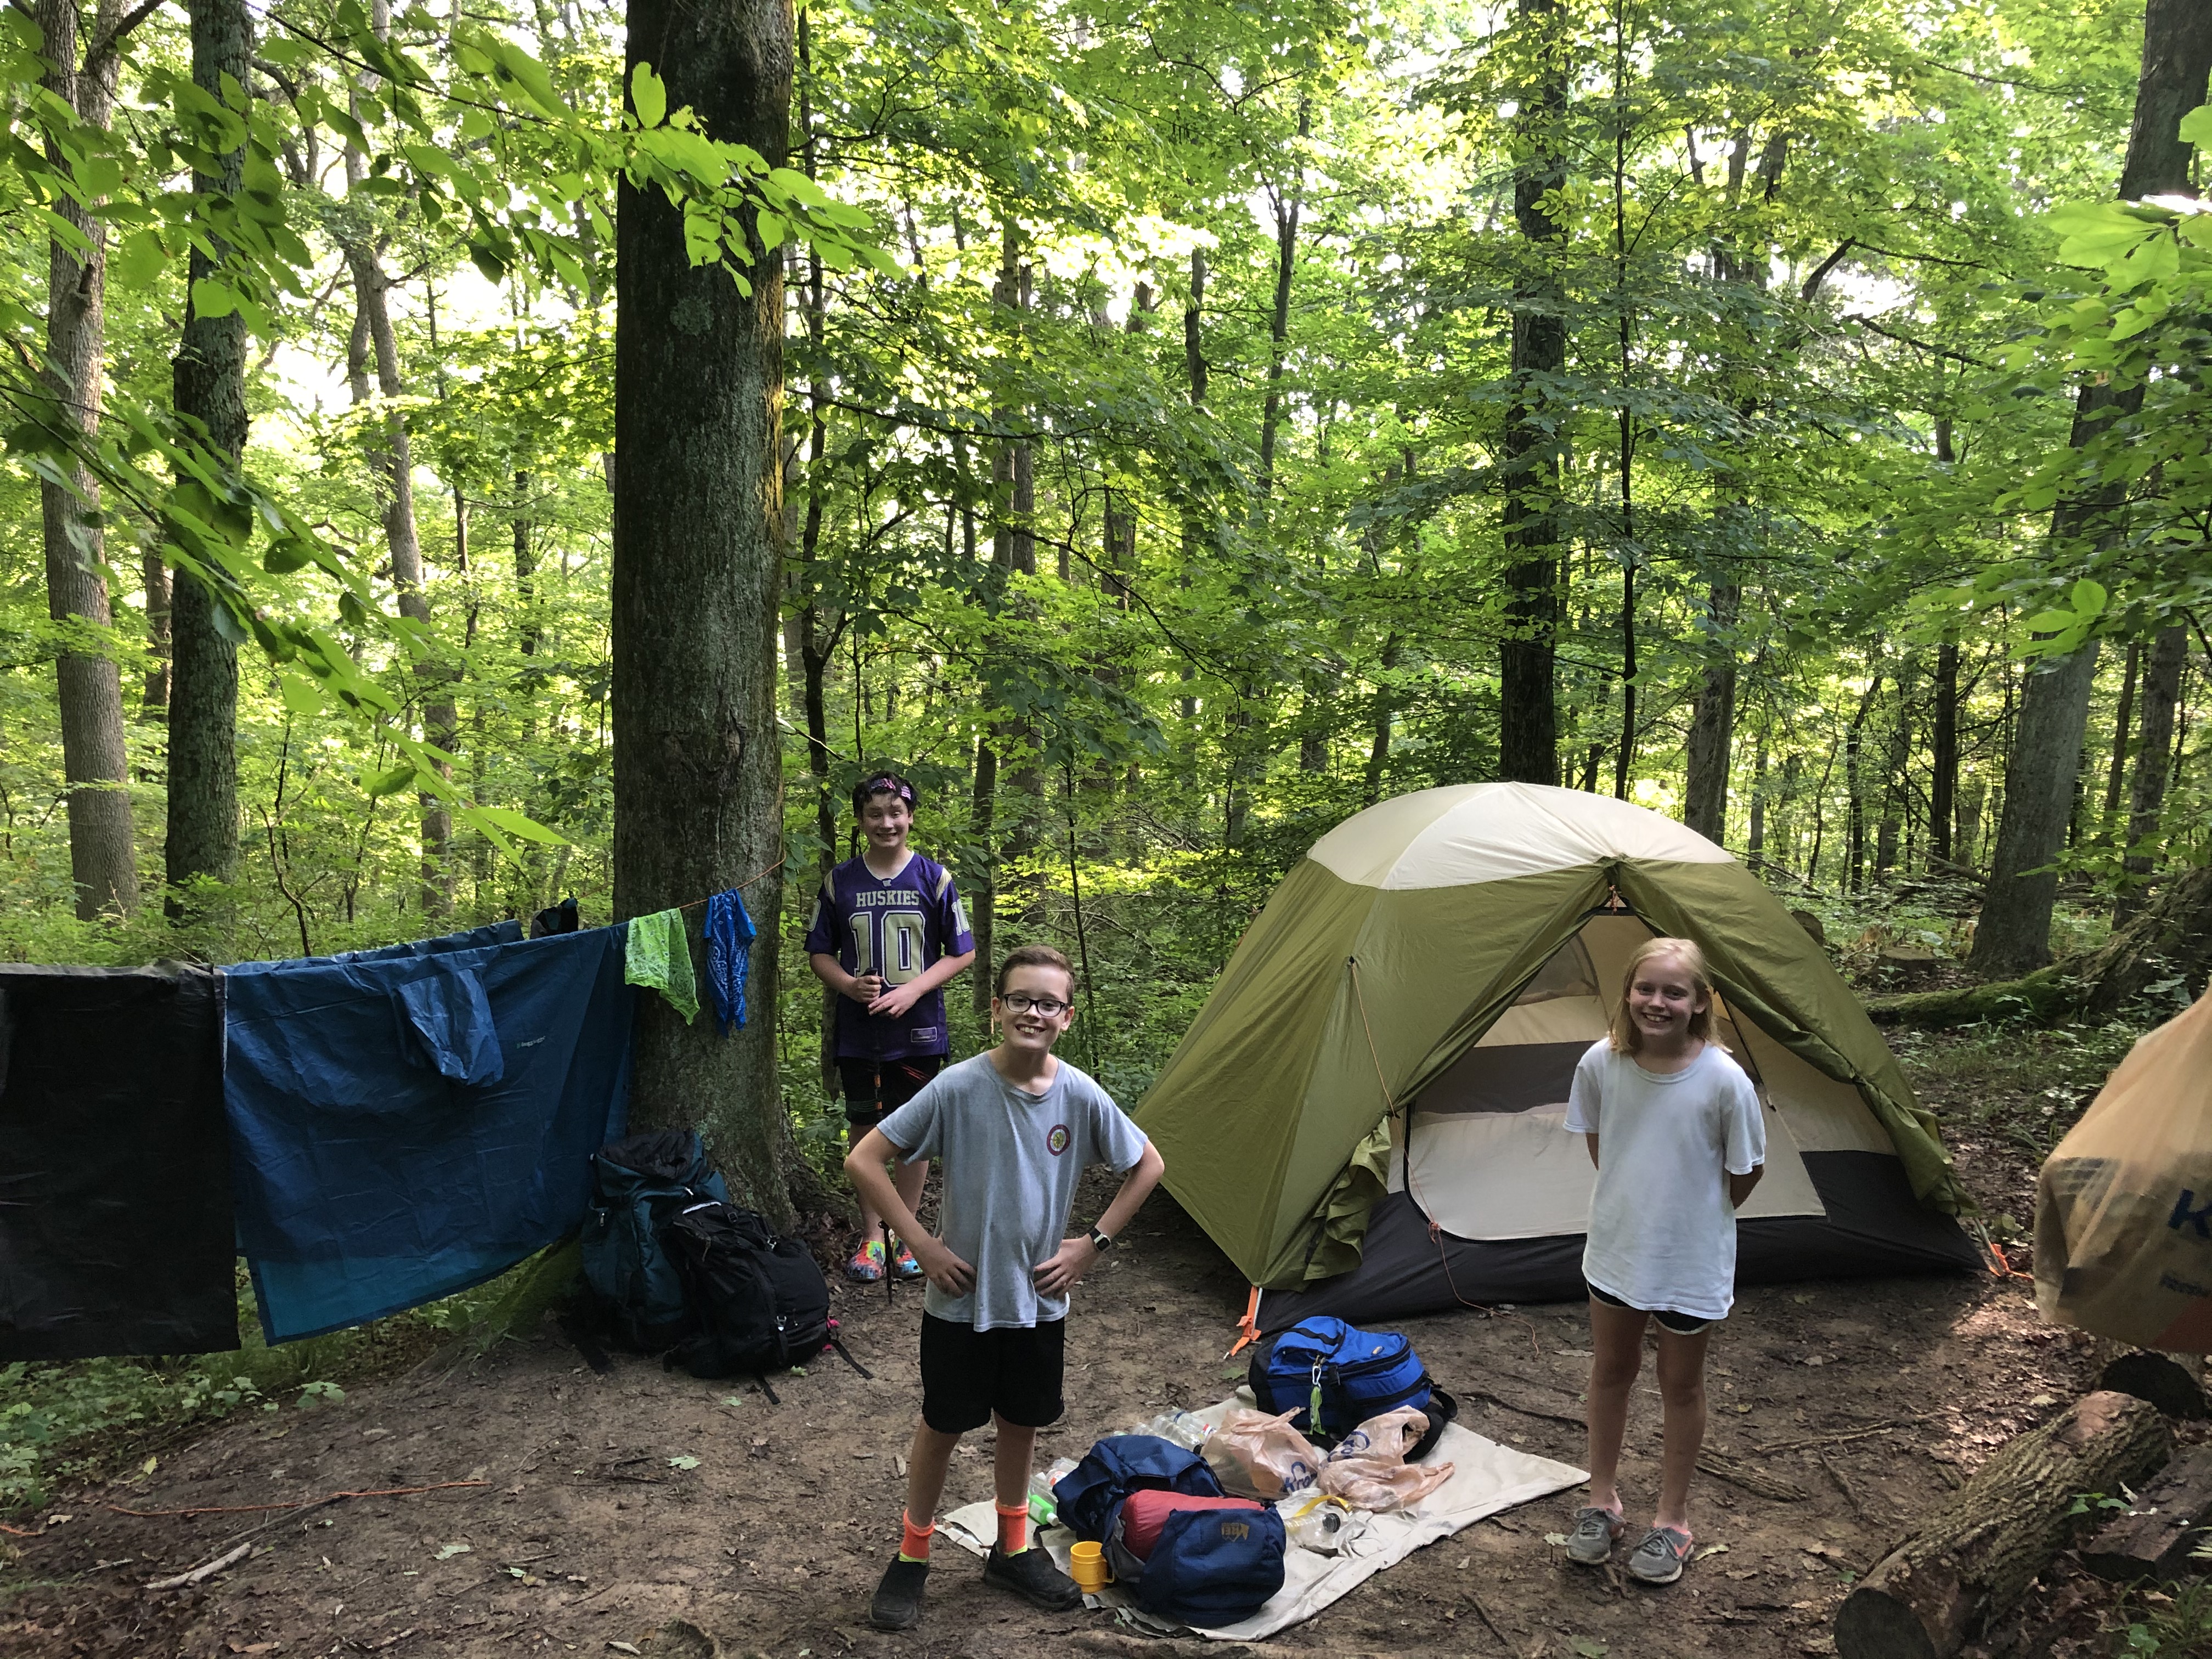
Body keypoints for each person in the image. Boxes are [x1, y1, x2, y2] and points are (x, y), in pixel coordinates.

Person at [845, 944, 1166, 1632]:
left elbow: (1148, 1164)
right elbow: (866, 1159)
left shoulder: (1078, 1093)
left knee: (1022, 1420)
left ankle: (1012, 1548)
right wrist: (920, 1243)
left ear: (1067, 1017)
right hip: (960, 1298)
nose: (1033, 1013)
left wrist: (1092, 1244)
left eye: (1049, 1003)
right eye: (1021, 999)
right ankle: (912, 1553)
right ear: (997, 1009)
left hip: (1039, 1299)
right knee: (943, 1424)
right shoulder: (959, 1087)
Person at [1560, 936, 1764, 1587]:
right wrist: (1637, 1208)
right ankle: (1602, 1501)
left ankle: (1673, 1519)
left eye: (1675, 992)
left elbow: (1746, 1172)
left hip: (1690, 1260)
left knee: (1680, 1384)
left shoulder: (1724, 1080)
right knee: (1611, 1370)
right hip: (1617, 1250)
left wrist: (1692, 1219)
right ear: (1627, 992)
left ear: (1701, 1002)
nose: (1657, 1002)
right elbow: (1604, 1146)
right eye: (1646, 988)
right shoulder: (1602, 1063)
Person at [805, 772, 975, 1283]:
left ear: (910, 817)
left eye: (895, 813)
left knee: (914, 1132)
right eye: (875, 814)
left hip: (918, 1031)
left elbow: (962, 952)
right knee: (865, 1128)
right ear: (861, 821)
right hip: (859, 1032)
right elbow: (819, 952)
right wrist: (847, 985)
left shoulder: (934, 878)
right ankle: (873, 1236)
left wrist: (913, 990)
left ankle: (908, 1235)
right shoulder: (840, 881)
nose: (887, 823)